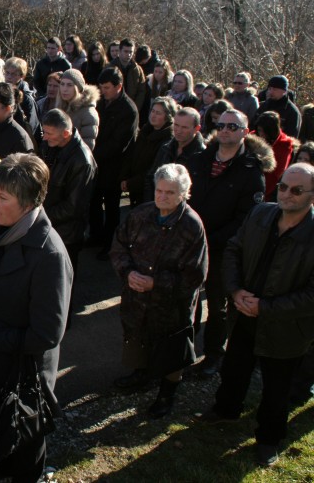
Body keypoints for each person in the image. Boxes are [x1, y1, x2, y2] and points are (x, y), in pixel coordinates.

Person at [0, 153, 72, 482]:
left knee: (25, 446)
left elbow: (47, 335)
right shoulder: (4, 230)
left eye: (1, 196)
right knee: (2, 436)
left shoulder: (48, 255)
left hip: (24, 378)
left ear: (26, 204)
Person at [199, 163, 314, 466]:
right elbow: (234, 250)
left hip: (286, 329)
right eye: (284, 187)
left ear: (312, 196)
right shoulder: (261, 213)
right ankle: (226, 410)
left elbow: (312, 296)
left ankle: (269, 438)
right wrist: (236, 291)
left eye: (297, 190)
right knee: (234, 369)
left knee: (277, 390)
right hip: (244, 314)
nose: (287, 194)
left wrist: (266, 307)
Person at [110, 164, 208, 417]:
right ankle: (140, 375)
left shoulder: (191, 226)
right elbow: (119, 246)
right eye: (159, 190)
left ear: (184, 193)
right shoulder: (141, 214)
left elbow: (195, 275)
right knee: (138, 337)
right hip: (137, 298)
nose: (162, 197)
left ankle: (166, 395)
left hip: (170, 305)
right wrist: (128, 272)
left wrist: (156, 283)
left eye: (170, 193)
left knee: (171, 351)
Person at [187, 109, 275, 376]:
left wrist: (209, 240)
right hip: (190, 244)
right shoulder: (200, 159)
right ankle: (183, 351)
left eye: (233, 127)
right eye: (222, 125)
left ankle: (214, 355)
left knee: (217, 305)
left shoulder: (250, 170)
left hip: (223, 249)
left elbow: (244, 219)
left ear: (245, 132)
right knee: (187, 301)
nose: (225, 130)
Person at [40, 109, 97, 322]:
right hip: (50, 225)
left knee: (62, 284)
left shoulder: (82, 160)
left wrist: (39, 215)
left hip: (67, 233)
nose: (44, 137)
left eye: (49, 133)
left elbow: (73, 208)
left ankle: (61, 324)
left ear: (65, 134)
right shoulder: (52, 146)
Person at [90, 66, 138, 260]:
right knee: (93, 202)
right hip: (98, 162)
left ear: (119, 87)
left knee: (111, 208)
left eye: (107, 87)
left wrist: (93, 153)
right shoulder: (101, 102)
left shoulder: (128, 109)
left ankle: (111, 244)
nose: (103, 91)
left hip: (115, 165)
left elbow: (119, 144)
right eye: (101, 87)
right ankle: (96, 236)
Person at [120, 96, 177, 206]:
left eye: (158, 113)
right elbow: (132, 155)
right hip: (134, 184)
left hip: (148, 190)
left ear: (167, 116)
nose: (153, 115)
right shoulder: (145, 131)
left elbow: (154, 169)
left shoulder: (168, 140)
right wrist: (124, 177)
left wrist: (131, 183)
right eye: (153, 111)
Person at [144, 107, 206, 200]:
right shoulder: (166, 147)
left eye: (184, 127)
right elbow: (151, 177)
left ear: (196, 128)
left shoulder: (202, 155)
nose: (178, 130)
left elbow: (197, 191)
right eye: (176, 125)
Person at [54, 68, 100, 150]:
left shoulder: (88, 113)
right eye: (62, 84)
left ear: (77, 88)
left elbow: (87, 146)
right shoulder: (60, 107)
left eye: (69, 85)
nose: (64, 89)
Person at [256, 110, 296, 199]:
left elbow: (275, 175)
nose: (261, 134)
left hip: (270, 192)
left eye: (264, 131)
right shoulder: (253, 139)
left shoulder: (284, 145)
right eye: (259, 130)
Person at [109, 38, 147, 112]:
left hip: (131, 109)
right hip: (113, 108)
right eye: (126, 51)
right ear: (119, 51)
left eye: (131, 52)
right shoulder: (110, 67)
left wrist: (135, 107)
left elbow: (141, 91)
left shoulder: (138, 70)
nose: (129, 54)